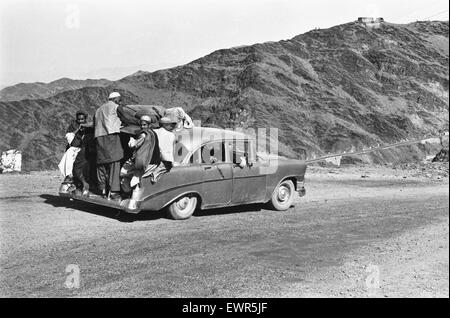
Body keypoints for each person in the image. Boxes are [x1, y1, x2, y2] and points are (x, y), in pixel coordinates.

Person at [94, 92, 124, 200]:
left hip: (98, 137)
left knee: (101, 163)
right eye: (120, 100)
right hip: (111, 136)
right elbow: (126, 118)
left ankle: (102, 189)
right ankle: (114, 192)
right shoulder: (116, 107)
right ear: (116, 99)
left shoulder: (98, 109)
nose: (120, 102)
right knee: (115, 162)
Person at [120, 115, 160, 193]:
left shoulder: (143, 134)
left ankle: (128, 193)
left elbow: (134, 145)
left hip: (143, 162)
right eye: (141, 124)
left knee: (124, 173)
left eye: (144, 125)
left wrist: (131, 140)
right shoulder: (153, 134)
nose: (142, 126)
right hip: (152, 162)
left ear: (149, 125)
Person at [142, 114, 177, 183]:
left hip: (152, 159)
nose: (171, 127)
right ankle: (156, 174)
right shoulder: (171, 135)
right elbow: (170, 150)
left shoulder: (153, 132)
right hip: (164, 159)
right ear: (165, 125)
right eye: (170, 125)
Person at [58, 110, 88, 182]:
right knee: (69, 158)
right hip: (74, 148)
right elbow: (71, 140)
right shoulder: (73, 126)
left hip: (84, 149)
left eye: (82, 119)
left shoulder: (88, 126)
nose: (80, 121)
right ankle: (69, 176)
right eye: (79, 119)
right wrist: (78, 131)